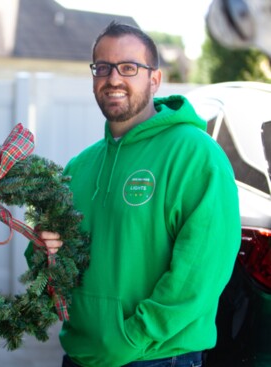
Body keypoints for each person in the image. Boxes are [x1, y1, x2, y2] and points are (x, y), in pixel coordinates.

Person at [35, 21, 241, 367]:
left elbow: (201, 271)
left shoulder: (197, 156)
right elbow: (47, 262)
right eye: (102, 67)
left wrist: (134, 335)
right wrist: (43, 247)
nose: (113, 78)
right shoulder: (79, 167)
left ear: (155, 79)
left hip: (157, 356)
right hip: (81, 354)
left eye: (129, 67)